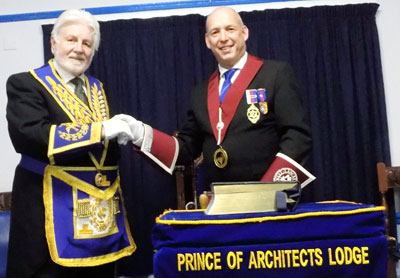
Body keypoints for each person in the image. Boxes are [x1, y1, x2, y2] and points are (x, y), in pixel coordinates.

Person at [6, 9, 138, 277]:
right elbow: (29, 135)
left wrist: (122, 138)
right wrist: (99, 131)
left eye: (87, 43)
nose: (79, 49)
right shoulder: (26, 83)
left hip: (97, 217)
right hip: (46, 216)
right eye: (71, 40)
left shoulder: (98, 88)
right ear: (53, 43)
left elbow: (100, 152)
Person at [123, 7, 312, 188]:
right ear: (207, 41)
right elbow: (186, 149)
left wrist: (270, 190)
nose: (223, 38)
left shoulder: (276, 74)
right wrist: (140, 133)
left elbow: (297, 137)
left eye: (230, 29)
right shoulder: (200, 93)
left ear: (244, 33)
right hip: (220, 203)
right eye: (215, 32)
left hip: (270, 201)